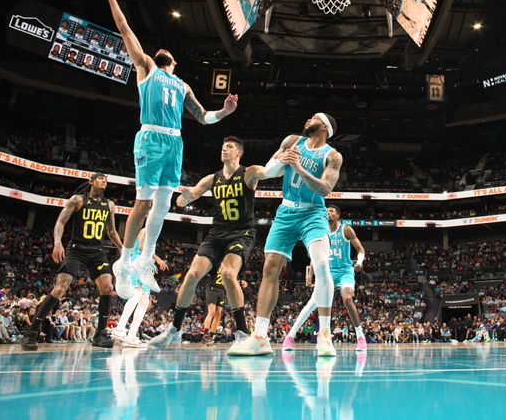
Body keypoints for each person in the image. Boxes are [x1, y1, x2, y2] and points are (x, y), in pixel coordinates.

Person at [97, 0, 238, 297]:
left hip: (175, 141)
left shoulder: (183, 84)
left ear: (174, 62)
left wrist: (226, 112)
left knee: (162, 206)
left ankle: (145, 261)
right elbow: (124, 30)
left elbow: (203, 117)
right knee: (143, 203)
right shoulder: (146, 67)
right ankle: (125, 259)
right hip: (151, 137)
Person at [232, 113, 343, 356]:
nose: (307, 120)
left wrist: (298, 166)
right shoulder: (292, 141)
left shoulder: (332, 155)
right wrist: (271, 164)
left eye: (313, 118)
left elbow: (324, 188)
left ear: (324, 127)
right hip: (286, 211)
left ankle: (324, 335)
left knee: (322, 264)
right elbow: (272, 171)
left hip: (313, 213)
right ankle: (260, 336)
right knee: (270, 268)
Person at [149, 136, 268, 353]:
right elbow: (181, 201)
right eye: (223, 146)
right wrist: (186, 197)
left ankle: (242, 333)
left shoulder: (248, 173)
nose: (224, 149)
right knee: (193, 274)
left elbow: (267, 171)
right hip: (216, 234)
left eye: (229, 147)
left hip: (241, 233)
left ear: (239, 153)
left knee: (229, 274)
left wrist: (282, 160)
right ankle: (174, 330)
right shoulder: (213, 178)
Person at [21, 173, 123, 350]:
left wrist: (123, 249)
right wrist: (57, 242)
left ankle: (100, 334)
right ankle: (31, 332)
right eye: (100, 179)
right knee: (60, 288)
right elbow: (61, 222)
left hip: (97, 251)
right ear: (91, 182)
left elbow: (111, 231)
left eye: (106, 180)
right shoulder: (77, 200)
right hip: (76, 249)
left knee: (107, 288)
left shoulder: (110, 205)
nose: (104, 181)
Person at [282, 204, 367, 352]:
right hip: (327, 272)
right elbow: (316, 255)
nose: (328, 212)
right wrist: (310, 274)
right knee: (313, 303)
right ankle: (290, 337)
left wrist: (359, 262)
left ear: (338, 215)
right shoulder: (321, 232)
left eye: (332, 211)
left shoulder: (346, 229)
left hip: (345, 271)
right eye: (326, 210)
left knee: (347, 298)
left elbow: (360, 249)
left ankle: (360, 337)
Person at [112, 228, 168, 348]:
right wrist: (158, 259)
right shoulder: (145, 230)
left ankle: (131, 335)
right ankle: (120, 328)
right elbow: (142, 247)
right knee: (136, 295)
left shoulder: (153, 231)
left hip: (145, 268)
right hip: (137, 265)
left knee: (144, 302)